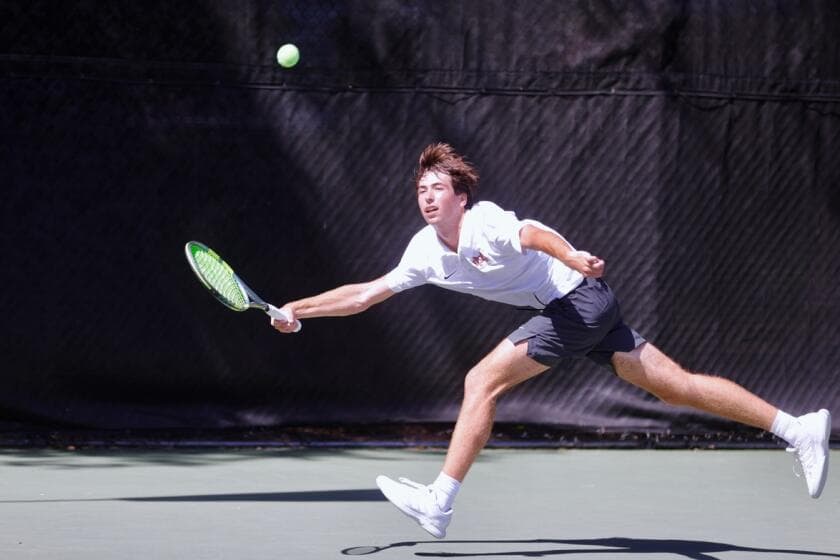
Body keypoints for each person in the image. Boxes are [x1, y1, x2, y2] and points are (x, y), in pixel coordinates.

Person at [270, 143, 831, 539]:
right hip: (577, 309)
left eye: (438, 188)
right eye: (421, 189)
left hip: (579, 299)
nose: (427, 197)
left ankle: (438, 502)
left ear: (461, 196)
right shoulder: (423, 250)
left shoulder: (485, 221)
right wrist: (300, 309)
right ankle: (796, 428)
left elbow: (533, 232)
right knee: (674, 386)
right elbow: (366, 294)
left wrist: (570, 256)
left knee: (480, 381)